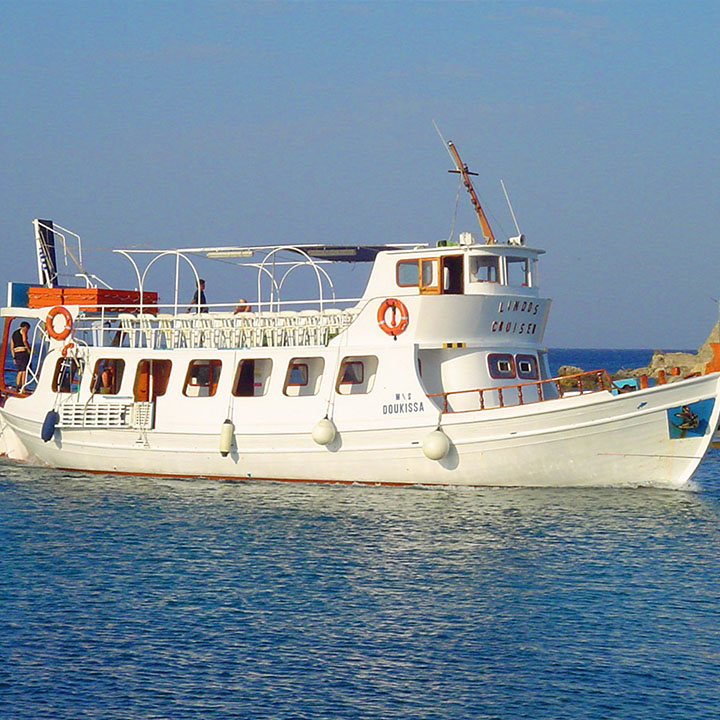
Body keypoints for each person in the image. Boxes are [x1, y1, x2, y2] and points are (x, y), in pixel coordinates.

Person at [10, 321, 31, 389]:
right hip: (23, 352)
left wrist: (14, 357)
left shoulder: (14, 334)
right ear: (25, 327)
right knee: (24, 371)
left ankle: (17, 386)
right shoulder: (23, 331)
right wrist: (29, 349)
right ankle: (23, 387)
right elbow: (24, 340)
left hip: (17, 353)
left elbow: (12, 346)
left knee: (20, 371)